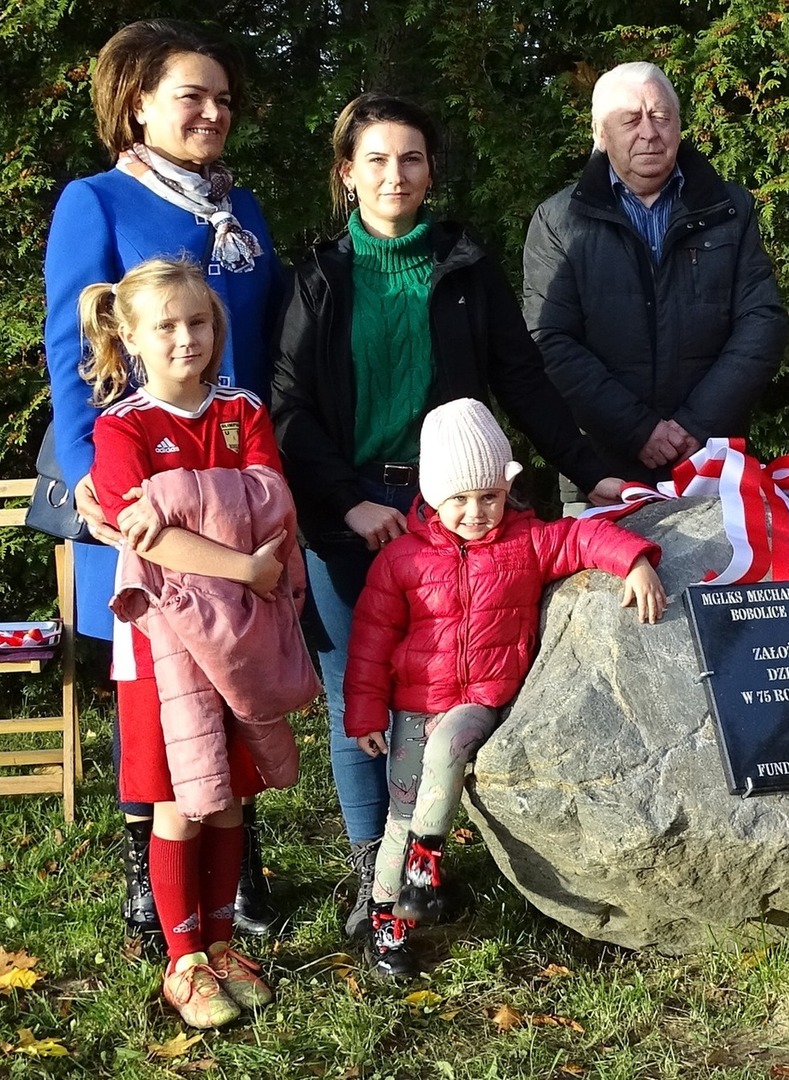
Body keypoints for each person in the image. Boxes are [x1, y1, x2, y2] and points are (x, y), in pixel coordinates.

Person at [270, 92, 622, 939]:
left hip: (456, 513)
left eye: (412, 158)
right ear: (347, 173)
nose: (395, 174)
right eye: (377, 159)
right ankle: (376, 872)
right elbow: (288, 407)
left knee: (457, 687)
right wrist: (348, 502)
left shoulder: (465, 268)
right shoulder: (317, 278)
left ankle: (432, 858)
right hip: (349, 514)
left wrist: (592, 472)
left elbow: (523, 379)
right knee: (360, 696)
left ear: (431, 172)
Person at [42, 18, 284, 941]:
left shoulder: (242, 208)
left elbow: (263, 344)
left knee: (238, 665)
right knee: (154, 675)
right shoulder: (96, 201)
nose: (214, 112)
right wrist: (88, 476)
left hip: (237, 479)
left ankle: (238, 862)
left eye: (223, 99)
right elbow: (72, 351)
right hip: (139, 481)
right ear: (139, 105)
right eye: (193, 97)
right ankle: (149, 868)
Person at [343, 399, 665, 977]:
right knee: (399, 818)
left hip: (479, 700)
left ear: (507, 489)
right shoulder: (401, 560)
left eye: (489, 496)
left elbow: (582, 538)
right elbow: (371, 641)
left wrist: (635, 560)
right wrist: (365, 713)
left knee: (449, 748)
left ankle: (424, 873)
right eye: (460, 500)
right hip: (414, 708)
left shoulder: (526, 542)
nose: (476, 512)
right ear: (433, 495)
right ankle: (386, 930)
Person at [81, 258, 294, 1028]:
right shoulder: (121, 426)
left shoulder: (242, 411)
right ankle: (184, 961)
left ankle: (222, 942)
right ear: (131, 338)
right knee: (179, 802)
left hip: (238, 637)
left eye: (198, 321)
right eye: (165, 326)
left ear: (216, 326)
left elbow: (273, 503)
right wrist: (241, 562)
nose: (185, 339)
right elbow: (150, 539)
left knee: (230, 795)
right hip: (163, 644)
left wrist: (176, 501)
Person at [522, 61, 789, 483]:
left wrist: (696, 424)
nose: (649, 132)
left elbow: (763, 321)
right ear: (600, 134)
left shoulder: (731, 210)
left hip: (711, 457)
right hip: (602, 469)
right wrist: (638, 430)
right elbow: (549, 340)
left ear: (679, 126)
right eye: (630, 120)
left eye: (661, 116)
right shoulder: (558, 221)